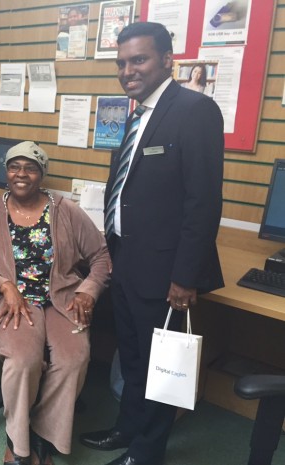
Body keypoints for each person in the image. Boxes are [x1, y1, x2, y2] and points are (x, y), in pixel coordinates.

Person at [79, 22, 224, 465]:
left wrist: (184, 277)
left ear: (167, 59)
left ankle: (147, 452)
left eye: (138, 60)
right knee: (134, 357)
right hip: (126, 261)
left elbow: (202, 204)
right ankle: (127, 428)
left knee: (160, 367)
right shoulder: (138, 112)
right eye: (122, 63)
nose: (128, 71)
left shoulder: (194, 110)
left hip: (164, 273)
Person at [0, 141, 110, 465]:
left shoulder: (65, 210)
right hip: (10, 303)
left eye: (30, 168)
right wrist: (4, 285)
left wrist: (88, 290)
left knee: (75, 358)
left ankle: (43, 435)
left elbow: (100, 256)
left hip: (61, 300)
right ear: (6, 172)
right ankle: (17, 444)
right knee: (23, 358)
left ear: (41, 174)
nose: (21, 174)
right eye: (15, 167)